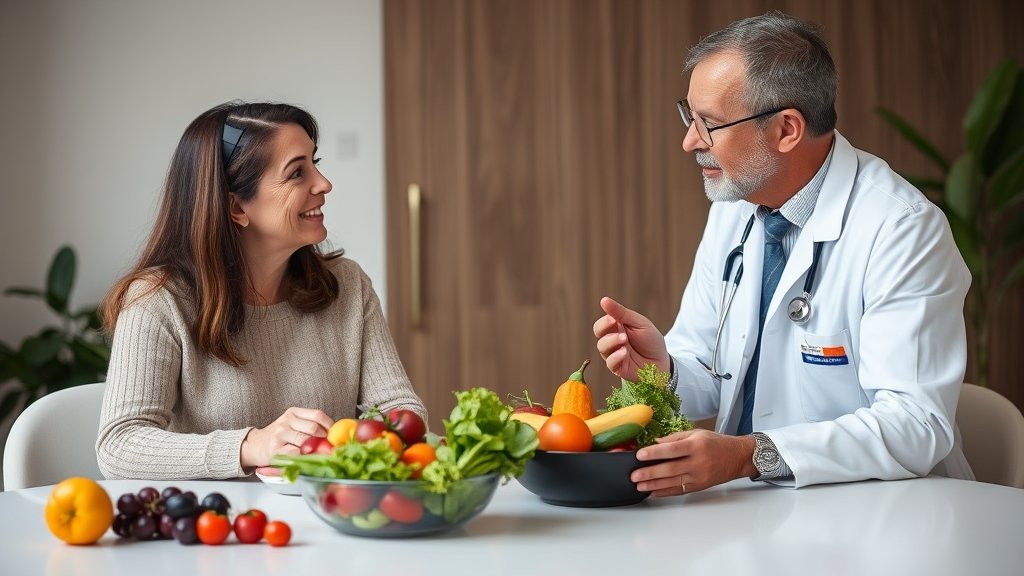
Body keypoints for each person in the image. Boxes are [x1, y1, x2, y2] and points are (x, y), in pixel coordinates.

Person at [593, 12, 974, 494]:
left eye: (709, 124)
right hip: (759, 511)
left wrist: (751, 455)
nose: (690, 141)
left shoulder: (901, 229)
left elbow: (916, 426)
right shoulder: (735, 208)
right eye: (689, 116)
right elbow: (711, 375)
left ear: (787, 129)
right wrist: (663, 369)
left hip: (887, 514)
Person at [96, 102, 426, 480]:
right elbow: (119, 445)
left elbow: (401, 408)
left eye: (315, 164)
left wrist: (361, 446)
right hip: (219, 530)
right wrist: (250, 446)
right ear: (237, 207)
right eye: (297, 172)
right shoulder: (157, 302)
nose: (324, 184)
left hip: (334, 519)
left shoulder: (348, 286)